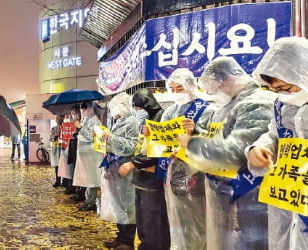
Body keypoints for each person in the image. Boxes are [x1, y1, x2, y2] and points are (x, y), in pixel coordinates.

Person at [179, 56, 275, 250]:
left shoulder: (256, 103)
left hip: (249, 196)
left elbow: (236, 151)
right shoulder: (227, 106)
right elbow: (219, 138)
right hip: (224, 193)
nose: (213, 95)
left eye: (214, 89)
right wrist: (197, 134)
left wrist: (192, 144)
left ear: (228, 79)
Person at [247, 37, 308, 250]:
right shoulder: (282, 106)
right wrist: (259, 148)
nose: (284, 95)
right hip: (287, 199)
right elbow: (274, 134)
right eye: (277, 90)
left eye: (287, 87)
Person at [160, 68, 214, 249]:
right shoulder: (169, 112)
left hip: (198, 175)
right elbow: (160, 142)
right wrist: (151, 136)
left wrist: (196, 131)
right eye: (172, 89)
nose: (175, 93)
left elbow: (216, 141)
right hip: (173, 172)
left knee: (199, 221)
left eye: (180, 88)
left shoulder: (208, 110)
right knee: (177, 220)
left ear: (191, 86)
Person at [118, 88, 170, 250]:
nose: (137, 111)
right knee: (144, 219)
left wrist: (133, 163)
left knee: (153, 220)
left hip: (153, 177)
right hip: (144, 177)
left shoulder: (162, 117)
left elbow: (157, 151)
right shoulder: (149, 118)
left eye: (139, 107)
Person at [100, 92, 139, 250]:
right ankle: (120, 236)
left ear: (123, 106)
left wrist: (110, 138)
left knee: (127, 206)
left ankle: (127, 241)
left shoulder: (132, 122)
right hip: (114, 168)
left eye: (115, 106)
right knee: (118, 205)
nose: (113, 110)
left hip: (125, 169)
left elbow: (130, 147)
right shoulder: (118, 121)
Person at [73, 101, 103, 211]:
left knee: (92, 179)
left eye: (84, 109)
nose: (82, 111)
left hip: (92, 155)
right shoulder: (86, 120)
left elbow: (90, 137)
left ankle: (91, 202)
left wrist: (80, 128)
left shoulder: (95, 121)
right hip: (85, 156)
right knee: (87, 179)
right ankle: (87, 200)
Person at [50, 114, 64, 187]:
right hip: (56, 149)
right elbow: (51, 138)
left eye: (60, 119)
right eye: (57, 119)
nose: (59, 120)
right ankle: (57, 181)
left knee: (64, 165)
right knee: (57, 166)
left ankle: (64, 182)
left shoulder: (65, 127)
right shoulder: (54, 128)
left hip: (63, 149)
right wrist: (56, 135)